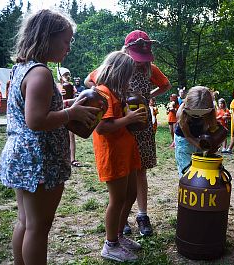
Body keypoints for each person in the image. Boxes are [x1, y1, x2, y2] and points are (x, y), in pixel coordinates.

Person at [0, 9, 99, 264]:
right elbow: (36, 120)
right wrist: (70, 112)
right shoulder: (41, 73)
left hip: (23, 157)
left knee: (25, 221)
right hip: (39, 160)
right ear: (46, 38)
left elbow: (34, 108)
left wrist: (66, 104)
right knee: (38, 227)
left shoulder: (22, 68)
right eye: (65, 41)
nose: (69, 47)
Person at [85, 30, 172, 236]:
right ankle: (121, 217)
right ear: (126, 51)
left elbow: (166, 84)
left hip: (139, 122)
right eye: (137, 59)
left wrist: (148, 95)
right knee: (121, 173)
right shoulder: (116, 66)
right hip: (119, 122)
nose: (141, 63)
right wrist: (108, 96)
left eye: (144, 59)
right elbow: (91, 81)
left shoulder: (151, 69)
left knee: (139, 169)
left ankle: (142, 215)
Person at [93, 51, 146, 262]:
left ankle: (119, 235)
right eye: (128, 75)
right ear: (118, 72)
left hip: (127, 152)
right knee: (117, 200)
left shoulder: (117, 93)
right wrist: (129, 119)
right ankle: (110, 244)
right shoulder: (103, 93)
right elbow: (102, 127)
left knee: (131, 193)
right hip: (112, 154)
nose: (129, 80)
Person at [174, 86, 218, 177]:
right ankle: (187, 186)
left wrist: (212, 143)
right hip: (184, 140)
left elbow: (211, 128)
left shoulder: (210, 112)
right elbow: (188, 136)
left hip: (200, 137)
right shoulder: (181, 113)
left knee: (200, 170)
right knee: (186, 171)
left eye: (202, 114)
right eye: (195, 114)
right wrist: (202, 146)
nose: (198, 117)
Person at [56, 67, 81, 167]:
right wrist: (59, 94)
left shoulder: (71, 86)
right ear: (60, 77)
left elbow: (73, 97)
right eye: (65, 75)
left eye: (68, 74)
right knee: (59, 135)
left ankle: (72, 159)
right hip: (60, 112)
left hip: (70, 111)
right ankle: (60, 158)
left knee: (71, 135)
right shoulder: (57, 86)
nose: (68, 76)